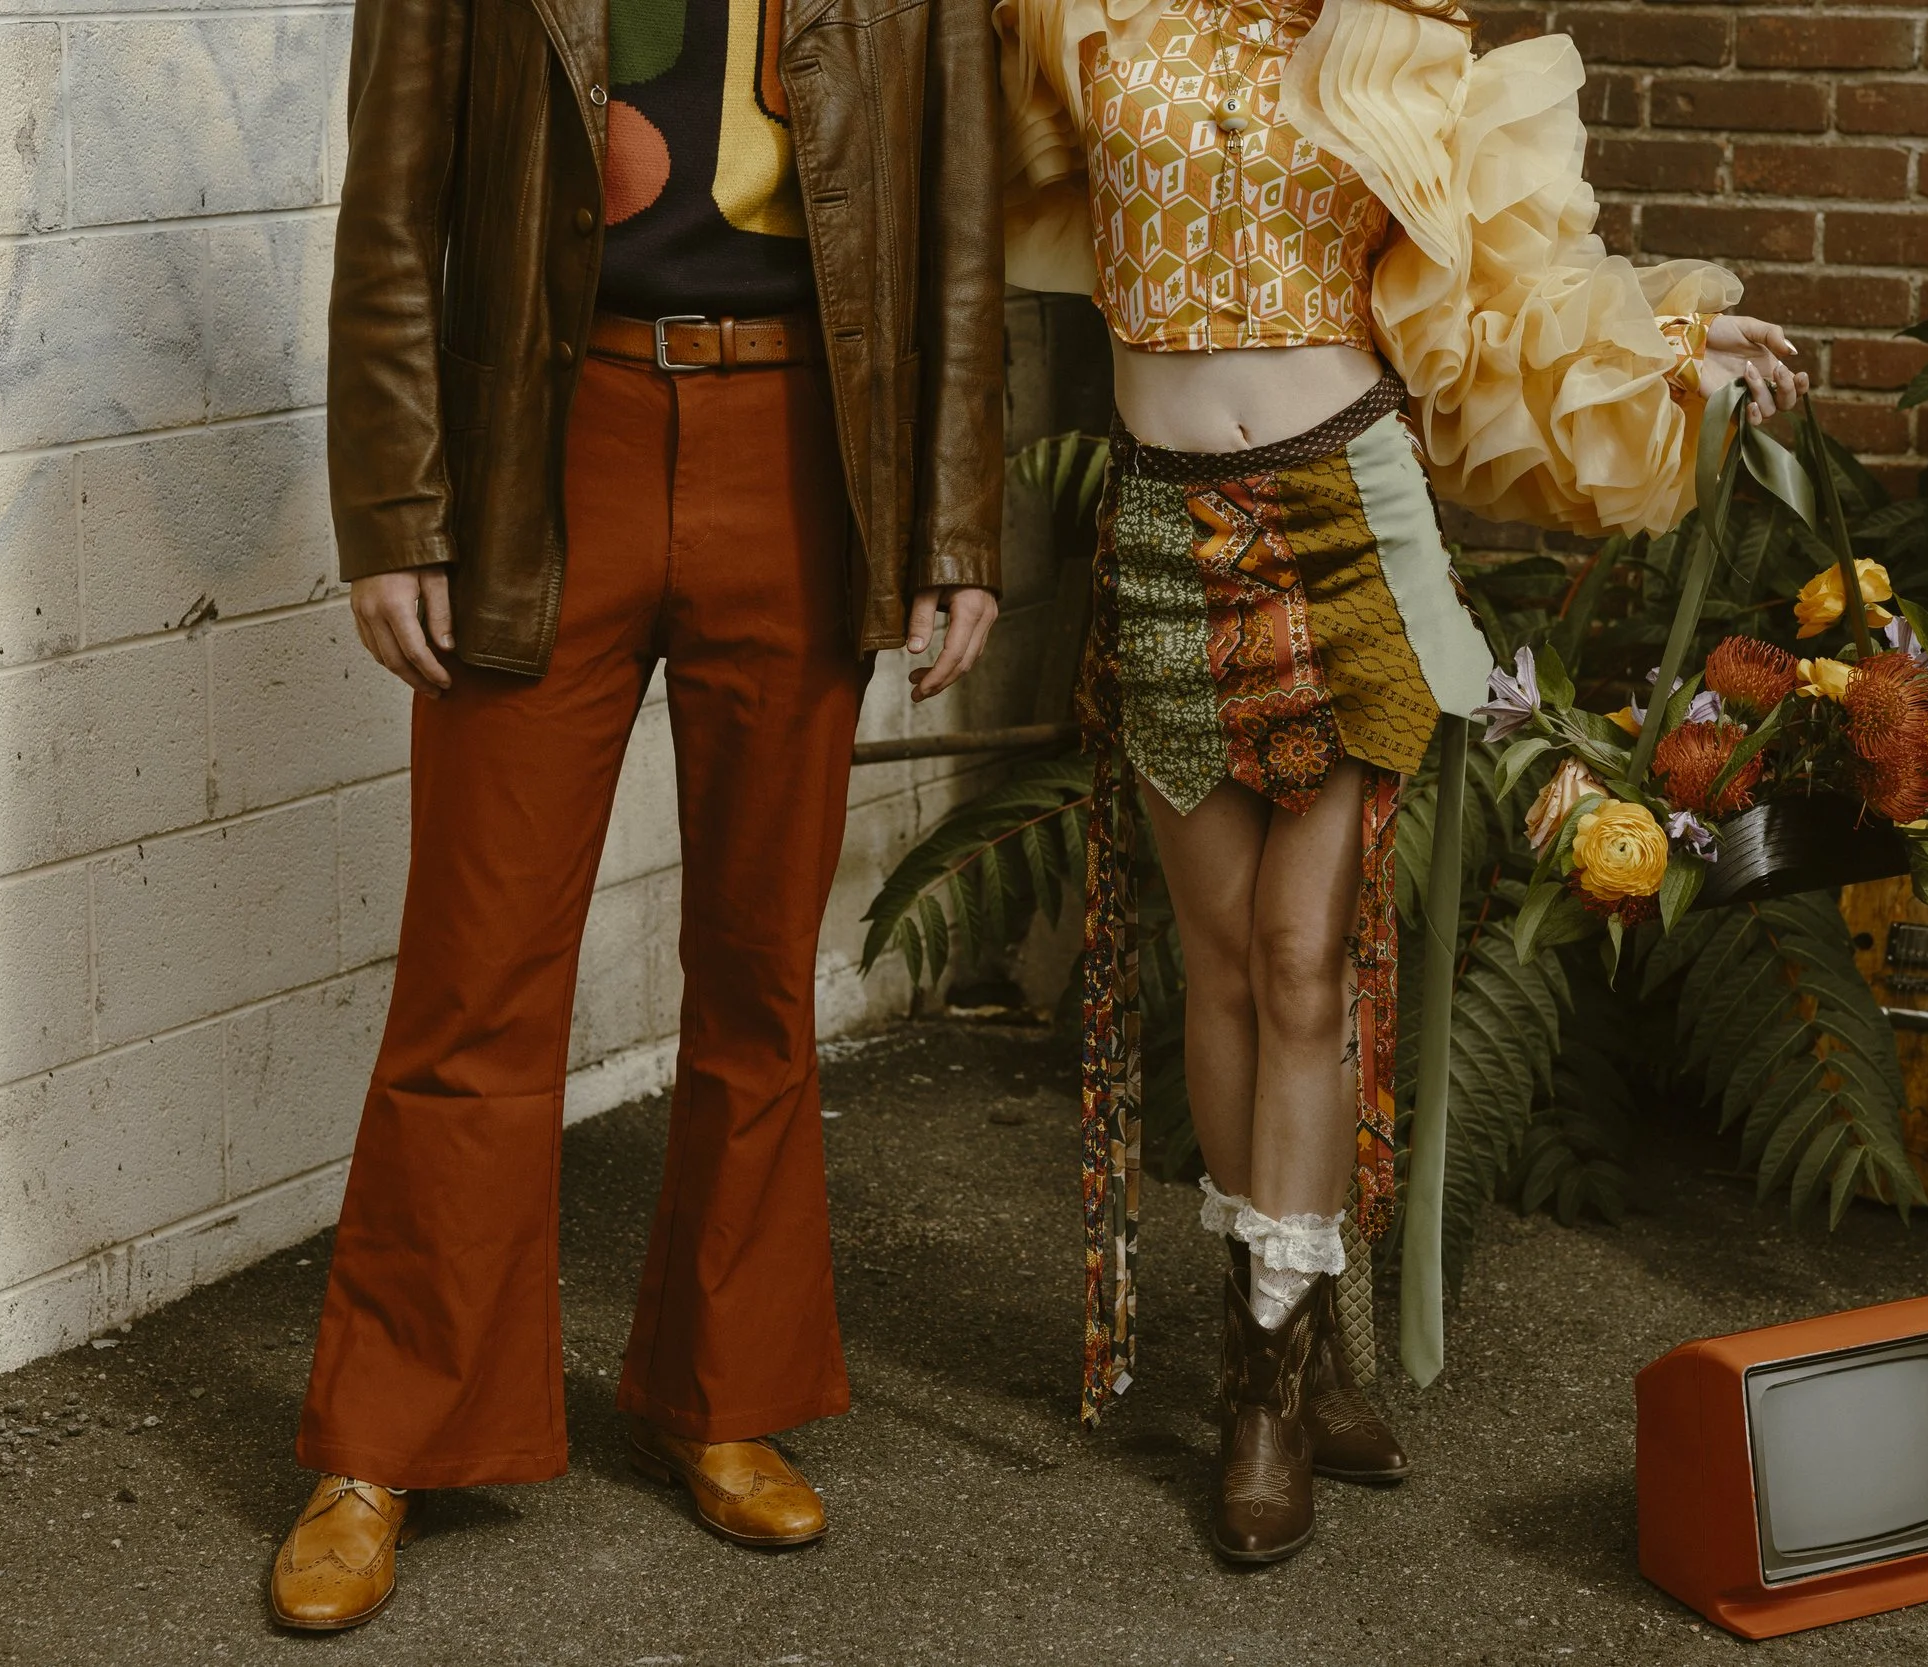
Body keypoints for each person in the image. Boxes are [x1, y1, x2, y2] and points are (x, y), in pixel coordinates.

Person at [996, 0, 1810, 1563]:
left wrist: (1667, 339)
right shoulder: (1085, 22)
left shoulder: (1394, 48)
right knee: (1221, 966)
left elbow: (1508, 298)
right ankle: (1300, 1344)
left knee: (1302, 961)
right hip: (1166, 535)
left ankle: (1261, 1385)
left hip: (1348, 521)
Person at [267, 0, 1003, 1629]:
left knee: (758, 973)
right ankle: (384, 1437)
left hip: (804, 445)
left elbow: (959, 228)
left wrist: (956, 520)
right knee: (475, 977)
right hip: (548, 439)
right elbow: (390, 213)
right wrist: (393, 508)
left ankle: (719, 1392)